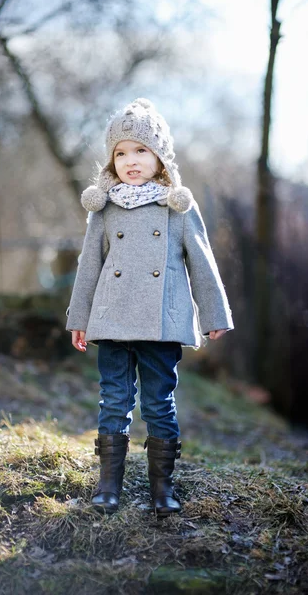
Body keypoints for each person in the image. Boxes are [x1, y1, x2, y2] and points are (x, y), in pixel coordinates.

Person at [66, 98, 234, 516]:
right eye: (120, 153)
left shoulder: (177, 205)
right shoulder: (103, 209)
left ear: (159, 157)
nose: (130, 160)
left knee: (159, 402)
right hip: (112, 318)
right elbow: (89, 266)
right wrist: (80, 318)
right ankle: (108, 485)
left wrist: (214, 314)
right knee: (113, 400)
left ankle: (163, 487)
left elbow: (202, 261)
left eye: (140, 150)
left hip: (163, 321)